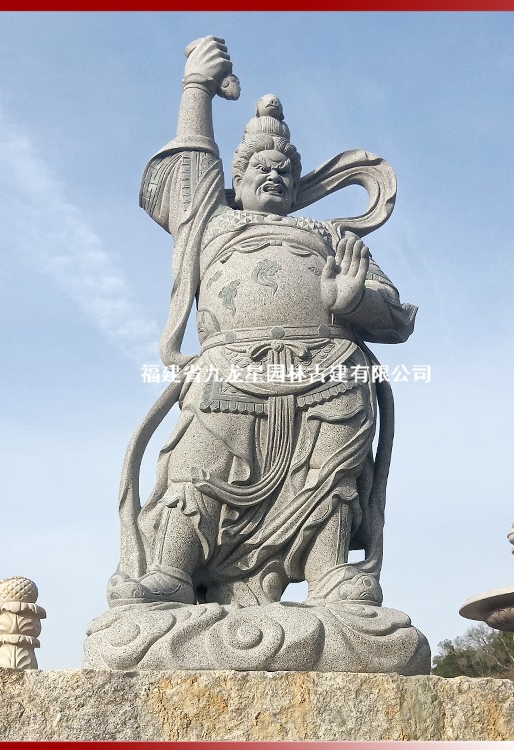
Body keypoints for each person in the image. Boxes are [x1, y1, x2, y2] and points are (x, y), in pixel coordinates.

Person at [108, 36, 417, 608]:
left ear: (297, 183)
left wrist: (355, 302)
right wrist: (196, 89)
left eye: (283, 170)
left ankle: (328, 571)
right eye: (260, 167)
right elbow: (191, 173)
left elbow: (395, 317)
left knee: (330, 474)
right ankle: (174, 569)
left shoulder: (330, 235)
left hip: (330, 368)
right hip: (230, 365)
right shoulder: (213, 225)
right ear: (239, 175)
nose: (272, 175)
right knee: (198, 462)